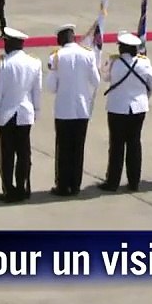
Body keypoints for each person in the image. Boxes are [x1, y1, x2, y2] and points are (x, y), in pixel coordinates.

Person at [45, 24, 100, 196]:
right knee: (78, 148)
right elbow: (96, 81)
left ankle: (62, 185)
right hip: (82, 109)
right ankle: (75, 184)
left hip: (64, 109)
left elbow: (51, 87)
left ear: (60, 39)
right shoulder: (88, 54)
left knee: (63, 149)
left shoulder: (57, 56)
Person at [100, 33, 152, 192]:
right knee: (134, 144)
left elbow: (104, 77)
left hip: (117, 109)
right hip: (138, 109)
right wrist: (143, 97)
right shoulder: (144, 63)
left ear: (122, 48)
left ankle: (113, 182)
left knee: (116, 146)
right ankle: (134, 182)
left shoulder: (114, 63)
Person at [0, 27, 41, 202]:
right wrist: (37, 111)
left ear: (10, 43)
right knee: (24, 153)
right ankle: (23, 187)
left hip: (6, 115)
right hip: (26, 113)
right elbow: (36, 91)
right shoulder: (34, 63)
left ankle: (9, 191)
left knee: (7, 155)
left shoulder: (4, 64)